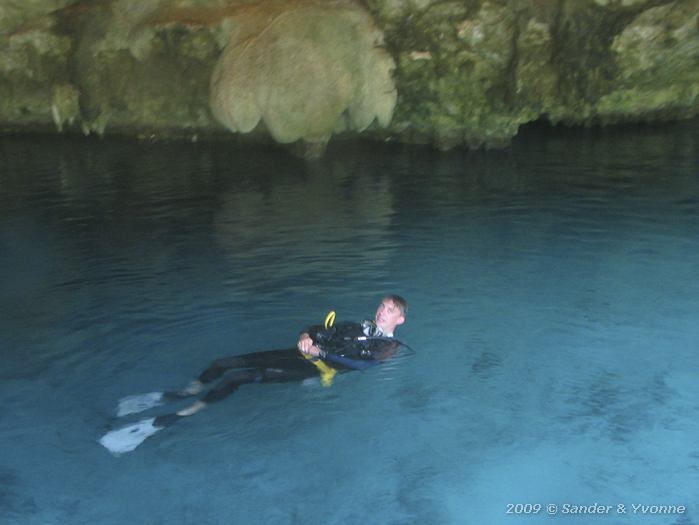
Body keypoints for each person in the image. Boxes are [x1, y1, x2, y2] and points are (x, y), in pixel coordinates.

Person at [99, 295, 408, 455]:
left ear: (401, 318)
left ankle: (171, 419)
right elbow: (316, 328)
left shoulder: (388, 347)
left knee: (237, 378)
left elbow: (362, 367)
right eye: (382, 305)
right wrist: (305, 336)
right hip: (302, 354)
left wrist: (321, 354)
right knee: (223, 363)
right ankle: (180, 393)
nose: (382, 311)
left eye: (390, 309)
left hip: (315, 367)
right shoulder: (356, 325)